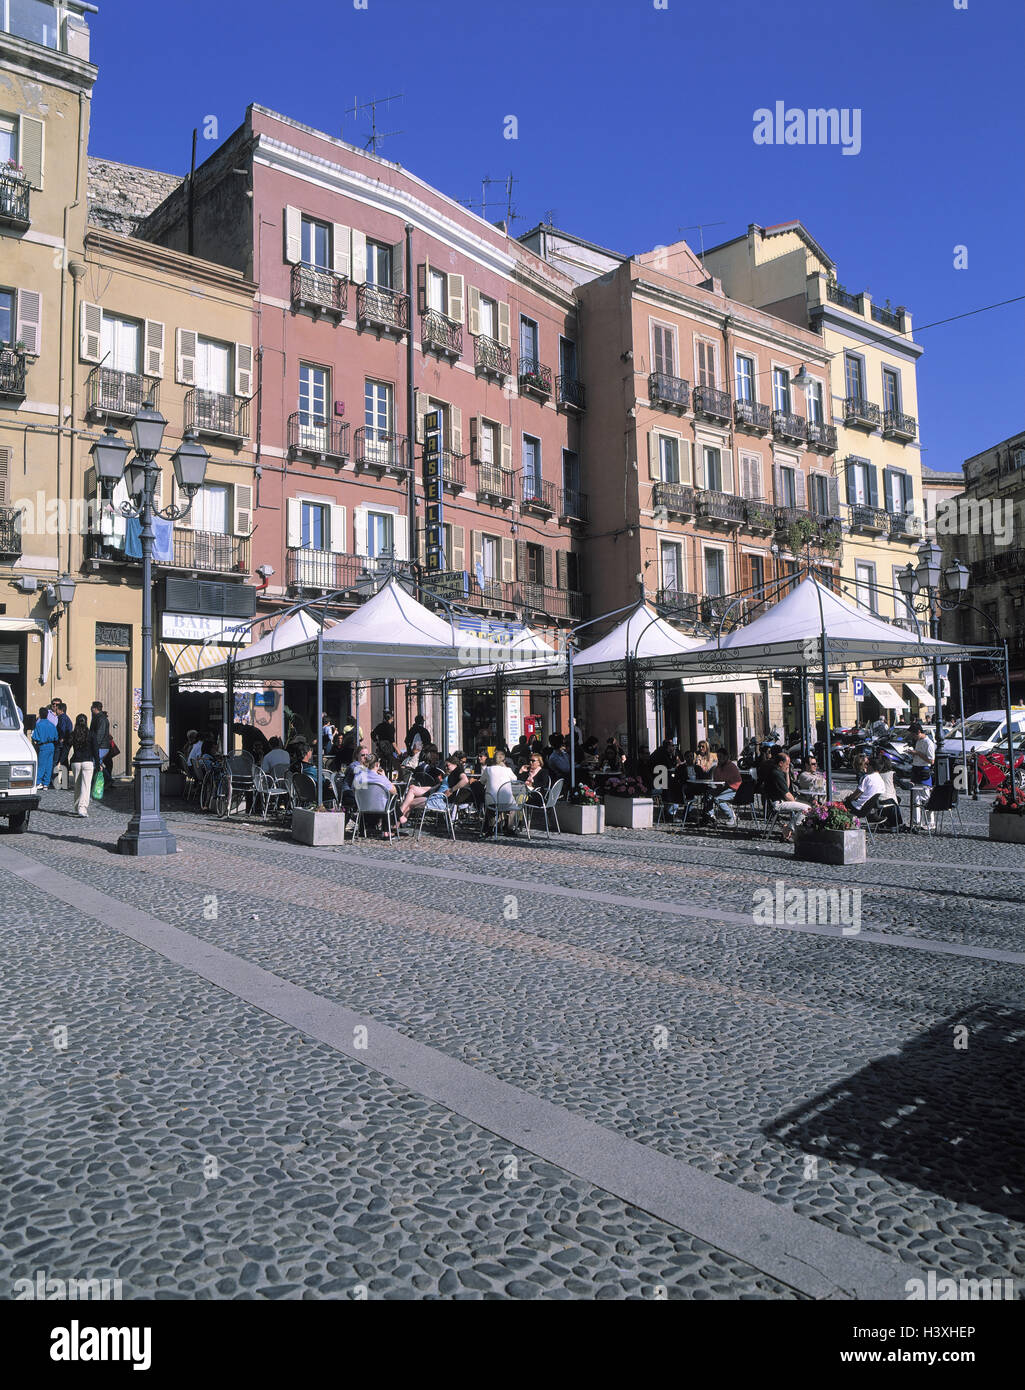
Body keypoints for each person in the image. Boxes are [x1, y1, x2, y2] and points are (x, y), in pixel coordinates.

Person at [763, 750, 812, 841]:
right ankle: (791, 830)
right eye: (787, 764)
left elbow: (786, 786)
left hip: (778, 801)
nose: (788, 766)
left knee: (804, 806)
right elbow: (787, 794)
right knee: (807, 809)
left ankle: (789, 828)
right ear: (781, 763)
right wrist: (795, 803)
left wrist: (787, 773)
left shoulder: (776, 772)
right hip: (778, 804)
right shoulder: (776, 774)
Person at [846, 755, 902, 830]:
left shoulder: (867, 778)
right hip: (868, 808)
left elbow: (857, 794)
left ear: (871, 767)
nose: (866, 766)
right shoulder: (880, 780)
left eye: (867, 764)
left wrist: (849, 798)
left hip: (858, 807)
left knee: (840, 799)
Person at [352, 755, 398, 838]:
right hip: (380, 808)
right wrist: (384, 777)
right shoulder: (381, 779)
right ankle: (387, 831)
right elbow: (394, 791)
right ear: (377, 765)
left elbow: (354, 789)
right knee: (390, 799)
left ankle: (363, 829)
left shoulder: (360, 776)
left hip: (363, 807)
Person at [397, 746, 443, 823]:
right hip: (429, 791)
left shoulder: (420, 768)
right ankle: (398, 819)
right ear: (431, 754)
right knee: (411, 791)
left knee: (411, 794)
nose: (437, 755)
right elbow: (439, 782)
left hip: (427, 791)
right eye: (435, 753)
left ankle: (397, 816)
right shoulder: (434, 770)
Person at [68, 713, 100, 817]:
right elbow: (95, 751)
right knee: (86, 786)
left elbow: (66, 748)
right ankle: (82, 807)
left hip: (76, 762)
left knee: (77, 786)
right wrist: (98, 763)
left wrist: (62, 761)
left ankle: (77, 807)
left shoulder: (73, 734)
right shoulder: (91, 734)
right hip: (88, 762)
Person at [481, 749, 519, 835]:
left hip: (492, 802)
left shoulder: (488, 769)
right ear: (504, 760)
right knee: (513, 808)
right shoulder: (508, 770)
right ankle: (509, 827)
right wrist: (504, 767)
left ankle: (490, 828)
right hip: (507, 803)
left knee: (490, 806)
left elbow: (482, 781)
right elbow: (515, 779)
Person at [909, 719, 936, 829]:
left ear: (919, 732)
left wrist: (917, 753)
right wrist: (912, 754)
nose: (912, 736)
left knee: (926, 796)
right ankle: (917, 822)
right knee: (916, 797)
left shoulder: (928, 743)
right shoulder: (918, 741)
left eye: (913, 734)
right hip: (916, 768)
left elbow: (931, 760)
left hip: (924, 770)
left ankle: (931, 822)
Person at [711, 746, 743, 826]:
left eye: (721, 757)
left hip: (735, 790)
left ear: (726, 757)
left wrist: (718, 768)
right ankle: (710, 815)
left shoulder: (730, 766)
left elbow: (724, 780)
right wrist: (718, 767)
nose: (719, 759)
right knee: (708, 794)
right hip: (726, 788)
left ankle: (732, 817)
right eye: (718, 757)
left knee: (718, 799)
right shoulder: (719, 767)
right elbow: (716, 780)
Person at [31, 706, 59, 790]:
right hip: (51, 746)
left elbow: (35, 737)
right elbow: (56, 737)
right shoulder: (52, 725)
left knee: (41, 765)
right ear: (47, 714)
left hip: (43, 746)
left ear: (40, 714)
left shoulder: (39, 725)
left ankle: (38, 782)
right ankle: (46, 783)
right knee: (49, 765)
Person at [89, 701, 110, 797]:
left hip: (101, 746)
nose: (90, 708)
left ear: (95, 708)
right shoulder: (99, 718)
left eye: (92, 707)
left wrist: (95, 745)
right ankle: (107, 779)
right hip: (102, 745)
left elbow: (99, 734)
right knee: (98, 763)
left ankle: (107, 779)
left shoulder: (100, 719)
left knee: (95, 762)